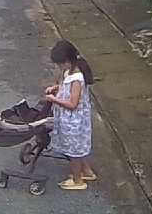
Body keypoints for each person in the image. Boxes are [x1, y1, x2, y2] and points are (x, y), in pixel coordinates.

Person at [43, 40, 96, 190]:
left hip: (74, 121)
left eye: (60, 64)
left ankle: (77, 180)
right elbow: (65, 86)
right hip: (72, 118)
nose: (59, 67)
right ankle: (86, 171)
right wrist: (56, 88)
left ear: (67, 61)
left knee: (73, 151)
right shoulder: (71, 71)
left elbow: (73, 104)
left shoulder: (77, 79)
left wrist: (54, 99)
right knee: (79, 147)